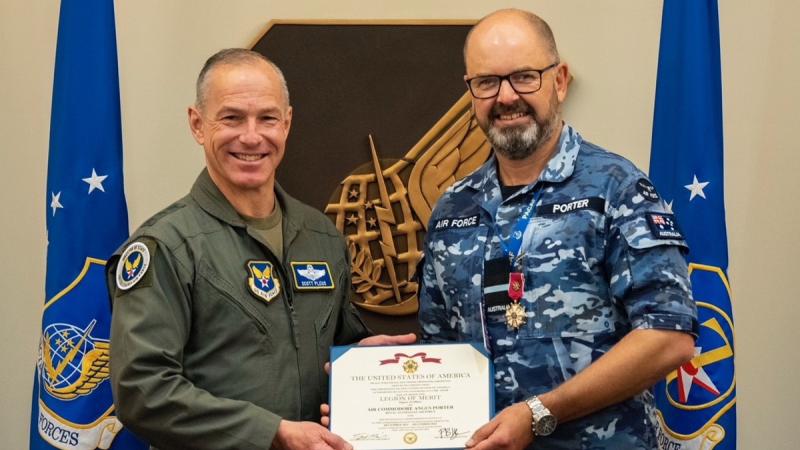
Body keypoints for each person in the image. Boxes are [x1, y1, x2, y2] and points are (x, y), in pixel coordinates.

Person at [418, 9, 698, 450]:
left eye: (525, 77)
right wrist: (376, 382)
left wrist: (540, 413)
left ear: (560, 81)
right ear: (471, 92)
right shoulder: (454, 209)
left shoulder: (617, 188)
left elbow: (668, 337)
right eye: (486, 82)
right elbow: (440, 349)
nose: (506, 97)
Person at [107, 48, 413, 450]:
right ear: (198, 125)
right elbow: (143, 391)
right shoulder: (166, 246)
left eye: (267, 118)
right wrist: (272, 433)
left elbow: (331, 346)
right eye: (232, 118)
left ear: (286, 124)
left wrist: (359, 359)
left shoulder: (321, 236)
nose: (251, 136)